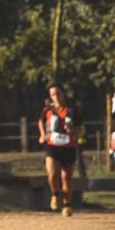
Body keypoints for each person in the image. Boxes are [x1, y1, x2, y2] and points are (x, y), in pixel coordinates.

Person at [38, 84, 83, 216]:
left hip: (68, 146)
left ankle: (67, 205)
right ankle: (55, 193)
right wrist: (42, 135)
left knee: (66, 177)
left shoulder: (72, 109)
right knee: (52, 173)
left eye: (58, 93)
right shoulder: (47, 109)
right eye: (53, 94)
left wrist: (73, 132)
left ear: (63, 94)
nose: (56, 97)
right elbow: (40, 121)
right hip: (52, 145)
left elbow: (79, 127)